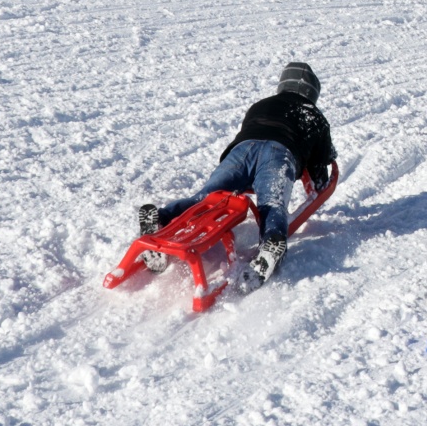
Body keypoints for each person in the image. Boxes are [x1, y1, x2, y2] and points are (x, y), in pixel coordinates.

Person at [136, 62, 336, 289]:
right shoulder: (313, 115)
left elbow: (249, 128)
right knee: (271, 203)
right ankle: (272, 242)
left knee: (208, 196)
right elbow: (320, 169)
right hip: (280, 152)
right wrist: (319, 178)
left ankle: (162, 217)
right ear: (312, 92)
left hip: (242, 149)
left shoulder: (262, 104)